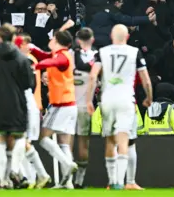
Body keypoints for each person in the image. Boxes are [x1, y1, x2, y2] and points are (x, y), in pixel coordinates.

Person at [86, 24, 152, 190]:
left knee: (110, 140)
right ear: (127, 37)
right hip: (125, 100)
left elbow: (93, 76)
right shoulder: (134, 52)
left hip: (107, 100)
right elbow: (146, 79)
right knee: (126, 140)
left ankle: (113, 181)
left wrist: (88, 100)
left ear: (111, 36)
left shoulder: (102, 52)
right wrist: (149, 97)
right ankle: (125, 182)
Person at [0, 24, 35, 188]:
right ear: (14, 38)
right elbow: (28, 83)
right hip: (16, 103)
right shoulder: (20, 58)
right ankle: (14, 169)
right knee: (19, 136)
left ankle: (1, 179)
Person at [32, 29, 79, 187]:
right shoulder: (61, 54)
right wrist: (32, 48)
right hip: (70, 104)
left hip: (61, 104)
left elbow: (55, 62)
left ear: (56, 41)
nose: (50, 40)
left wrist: (37, 66)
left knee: (43, 138)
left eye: (52, 39)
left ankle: (67, 163)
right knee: (64, 143)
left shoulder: (62, 57)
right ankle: (68, 183)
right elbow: (45, 55)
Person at [14, 34, 51, 188]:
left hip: (28, 106)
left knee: (21, 142)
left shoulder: (26, 61)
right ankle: (32, 177)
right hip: (31, 106)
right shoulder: (31, 60)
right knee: (22, 142)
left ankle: (31, 178)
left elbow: (30, 86)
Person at [71, 28, 98, 189]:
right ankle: (79, 181)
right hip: (84, 105)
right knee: (83, 143)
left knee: (66, 143)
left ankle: (66, 180)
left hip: (67, 104)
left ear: (77, 40)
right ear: (92, 39)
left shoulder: (68, 55)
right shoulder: (96, 56)